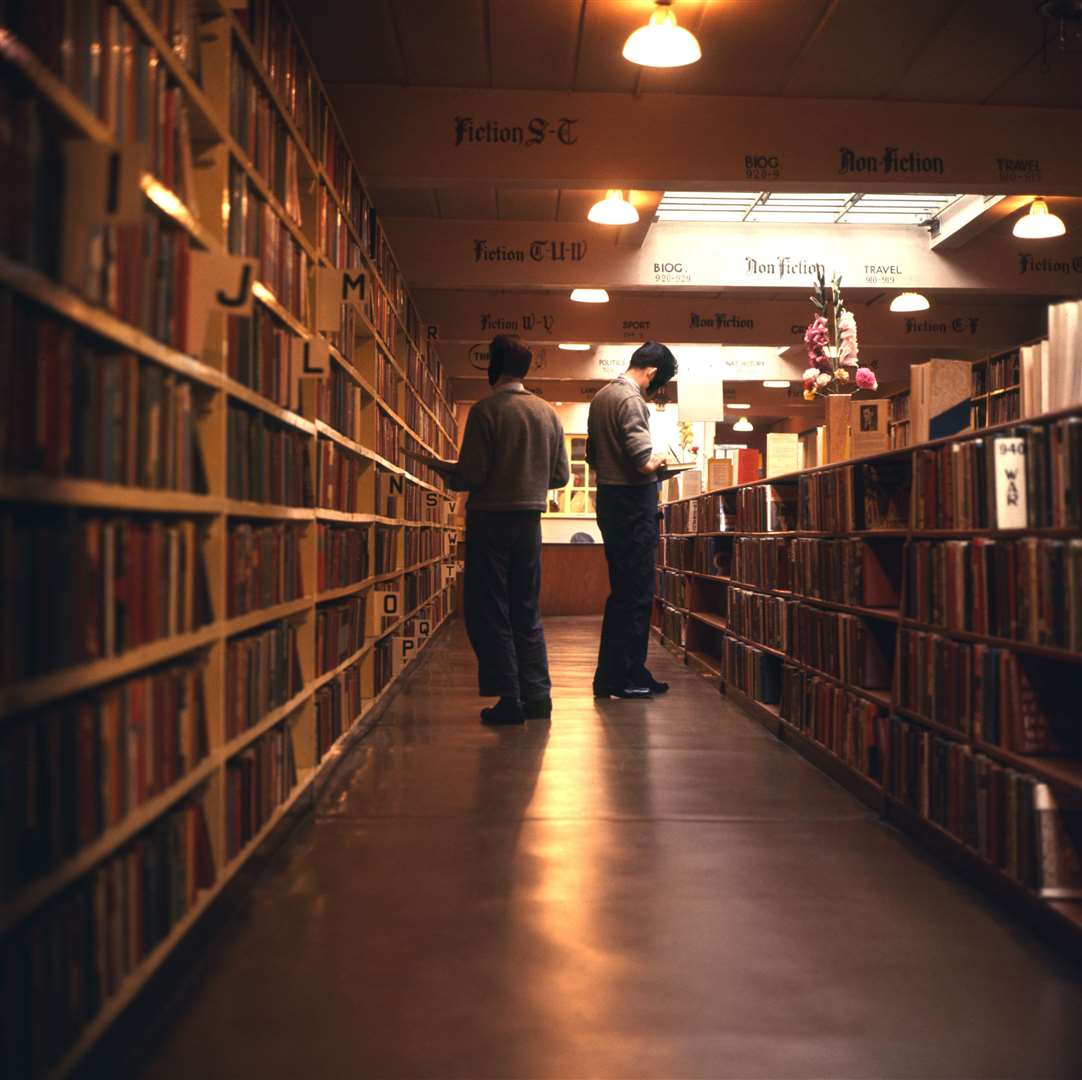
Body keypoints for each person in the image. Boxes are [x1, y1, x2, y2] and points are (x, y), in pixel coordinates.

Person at [414, 335, 569, 725]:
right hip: (530, 522)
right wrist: (527, 478)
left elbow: (472, 475)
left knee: (491, 609)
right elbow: (561, 476)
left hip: (490, 521)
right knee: (526, 606)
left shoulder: (486, 411)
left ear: (492, 368)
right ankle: (538, 694)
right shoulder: (548, 414)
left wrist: (444, 470)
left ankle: (509, 698)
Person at [587, 341, 678, 699]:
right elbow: (642, 461)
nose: (654, 392)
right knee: (637, 594)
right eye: (658, 383)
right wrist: (662, 460)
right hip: (631, 504)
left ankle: (621, 672)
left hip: (611, 501)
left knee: (623, 592)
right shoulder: (630, 400)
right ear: (652, 372)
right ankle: (623, 677)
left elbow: (594, 456)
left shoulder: (601, 397)